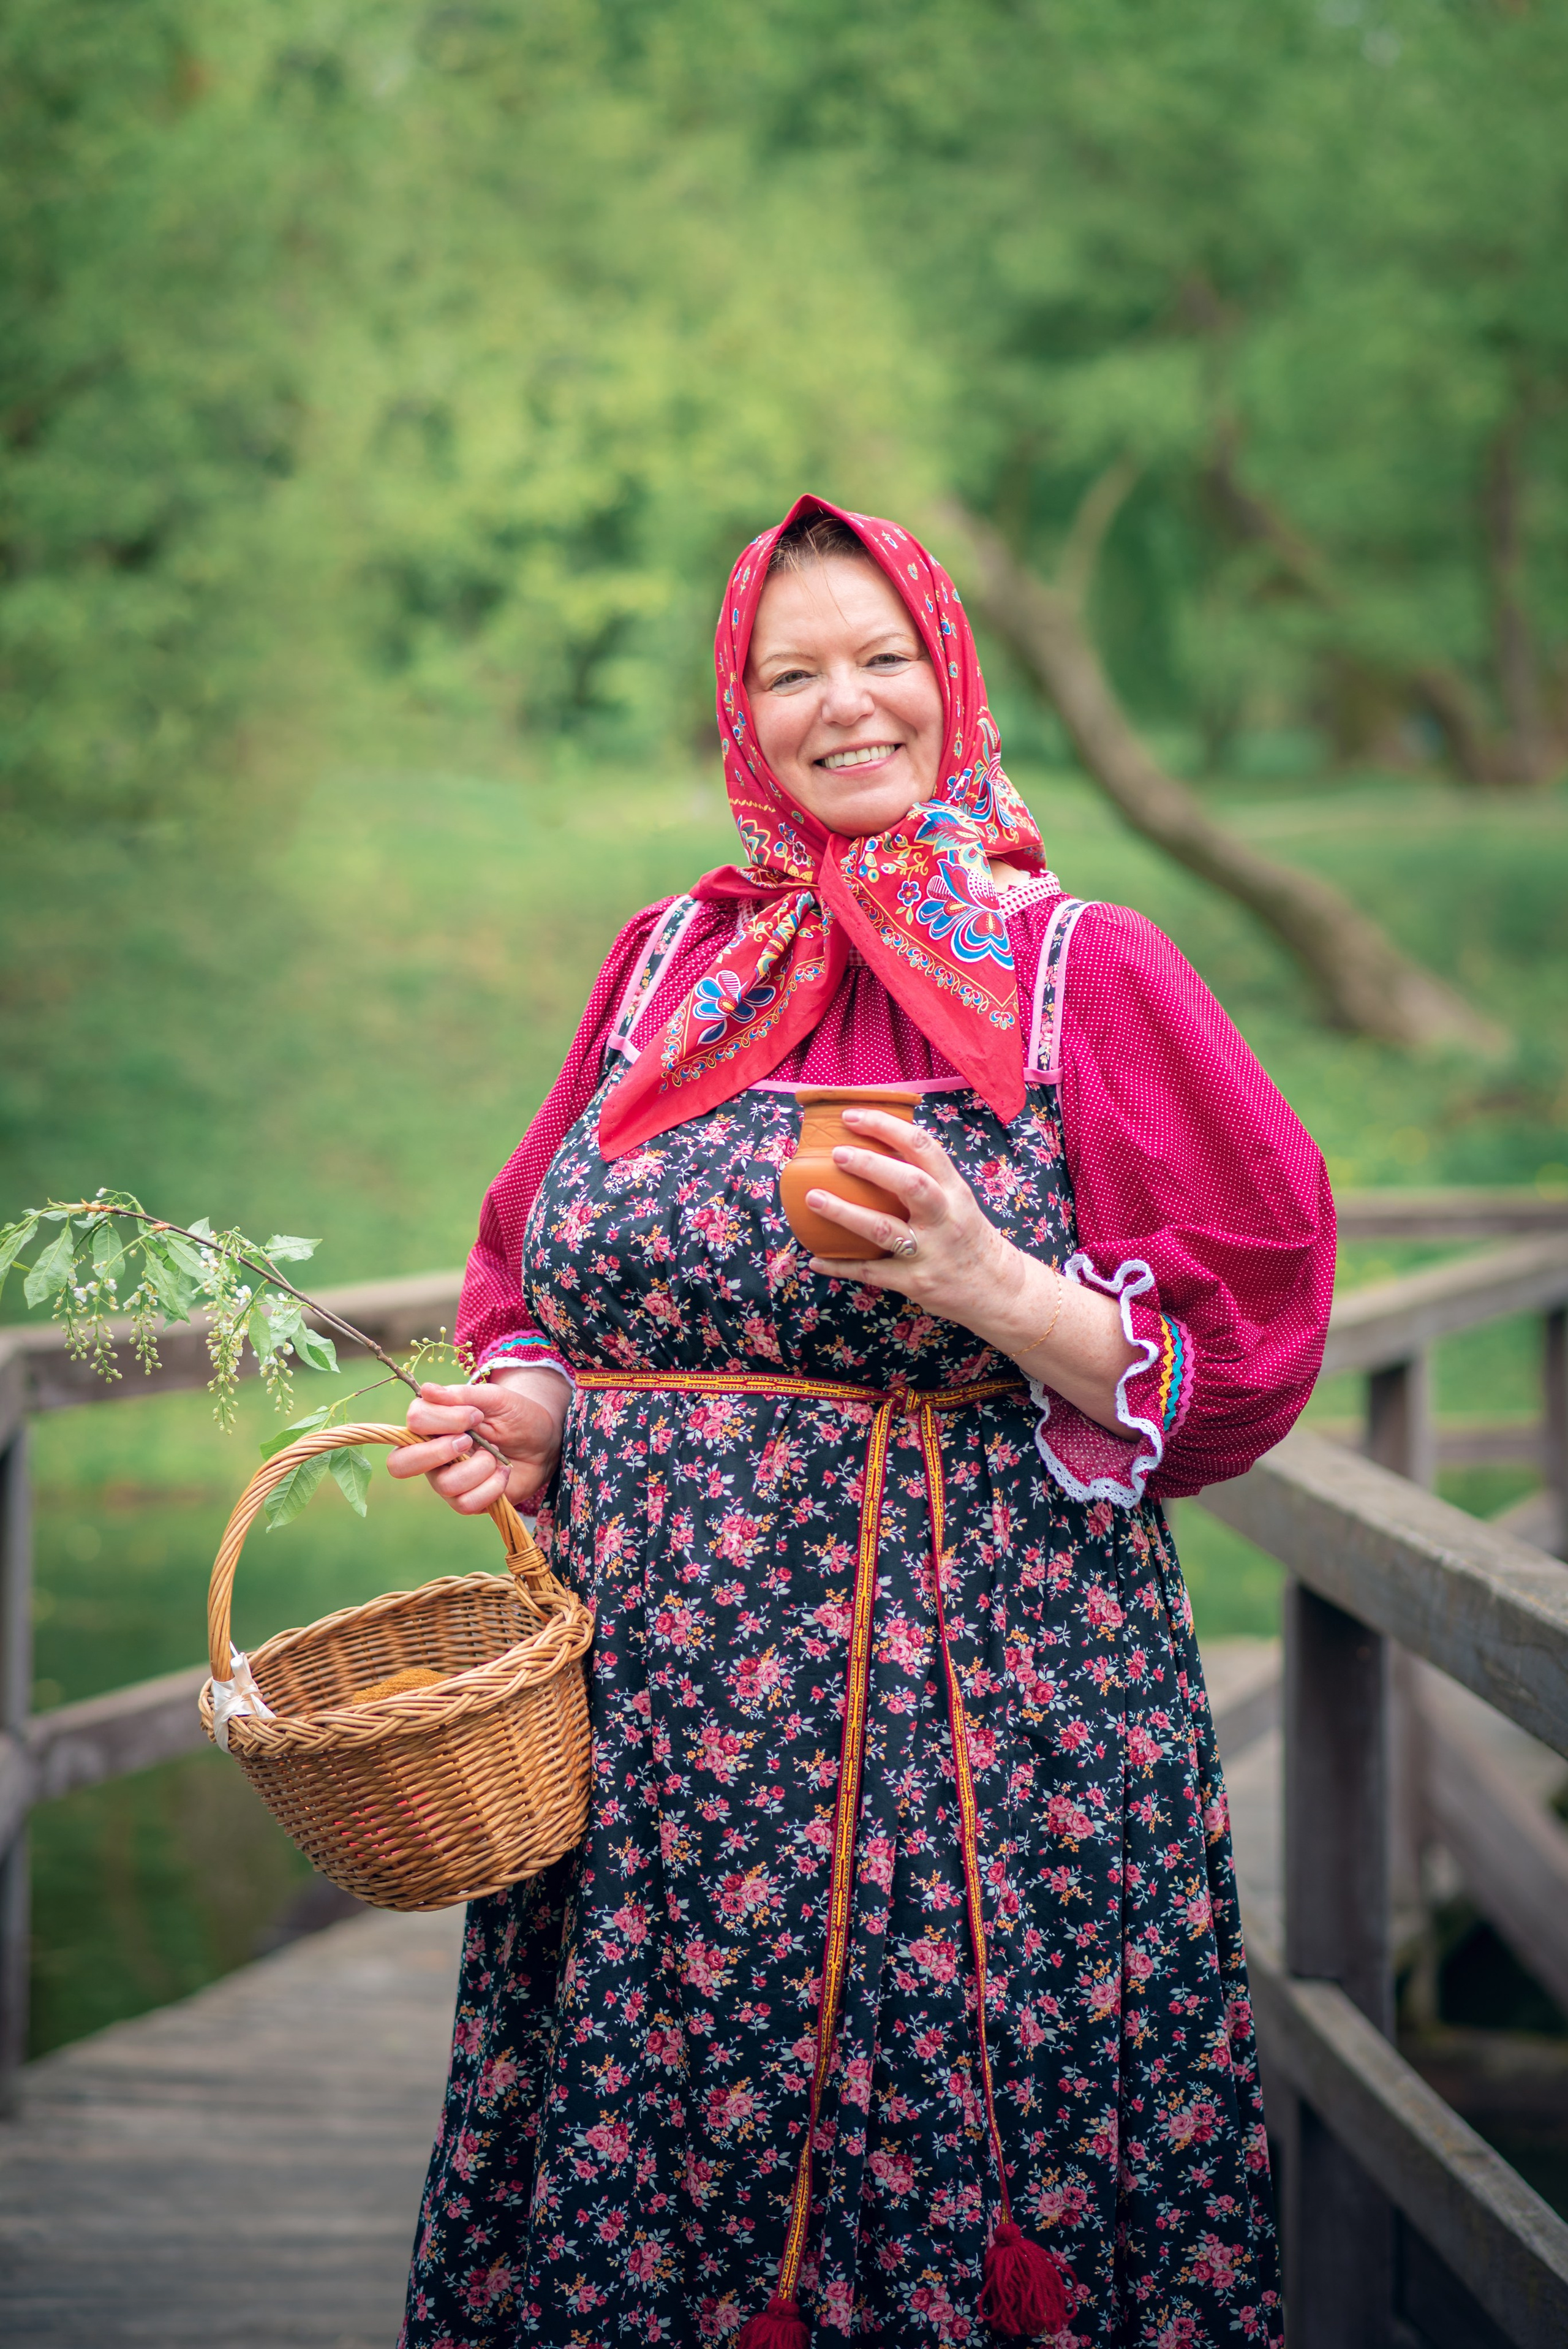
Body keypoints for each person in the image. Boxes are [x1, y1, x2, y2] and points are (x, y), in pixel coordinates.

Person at [392, 497, 1332, 2348]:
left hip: (972, 1732)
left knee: (933, 2184)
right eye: (792, 672)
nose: (846, 706)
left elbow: (1244, 1348)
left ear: (951, 676)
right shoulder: (664, 964)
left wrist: (987, 1278)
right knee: (668, 2194)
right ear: (739, 711)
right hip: (658, 1750)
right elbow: (538, 1264)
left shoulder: (1082, 967)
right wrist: (540, 1405)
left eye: (884, 658)